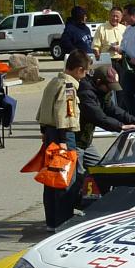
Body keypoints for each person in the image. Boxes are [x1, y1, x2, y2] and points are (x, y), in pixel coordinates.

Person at [36, 49, 90, 230]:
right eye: (85, 72)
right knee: (65, 179)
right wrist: (64, 141)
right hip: (64, 135)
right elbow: (64, 114)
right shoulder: (68, 87)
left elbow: (43, 109)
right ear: (79, 69)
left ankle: (51, 221)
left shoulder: (54, 82)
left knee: (51, 179)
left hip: (49, 133)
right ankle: (63, 221)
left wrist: (44, 130)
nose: (85, 76)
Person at [75, 64, 135, 171]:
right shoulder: (85, 93)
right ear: (99, 82)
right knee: (77, 176)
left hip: (85, 142)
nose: (110, 90)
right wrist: (121, 126)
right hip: (75, 142)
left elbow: (112, 109)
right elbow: (98, 117)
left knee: (101, 170)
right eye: (109, 87)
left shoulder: (102, 92)